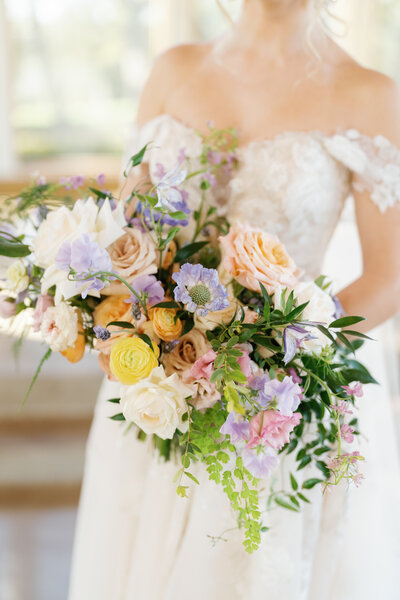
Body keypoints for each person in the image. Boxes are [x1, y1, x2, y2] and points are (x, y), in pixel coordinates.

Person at [68, 1, 400, 598]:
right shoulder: (172, 70)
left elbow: (389, 276)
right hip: (158, 385)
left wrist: (276, 360)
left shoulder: (369, 93)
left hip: (282, 400)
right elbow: (127, 233)